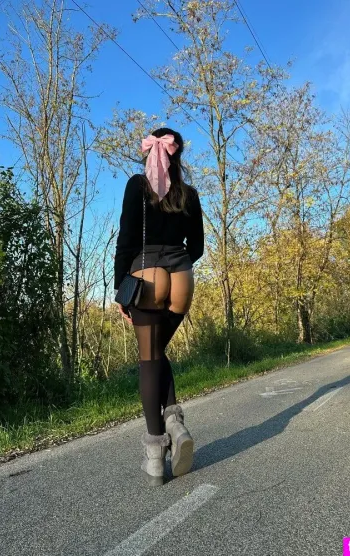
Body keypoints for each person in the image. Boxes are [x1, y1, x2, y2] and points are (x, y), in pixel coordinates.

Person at [114, 127, 204, 487]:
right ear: (177, 154)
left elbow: (126, 238)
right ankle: (175, 423)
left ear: (148, 151)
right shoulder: (189, 194)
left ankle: (155, 459)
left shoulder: (137, 185)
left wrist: (121, 286)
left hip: (147, 274)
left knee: (149, 359)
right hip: (182, 276)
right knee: (157, 352)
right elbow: (197, 246)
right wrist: (176, 261)